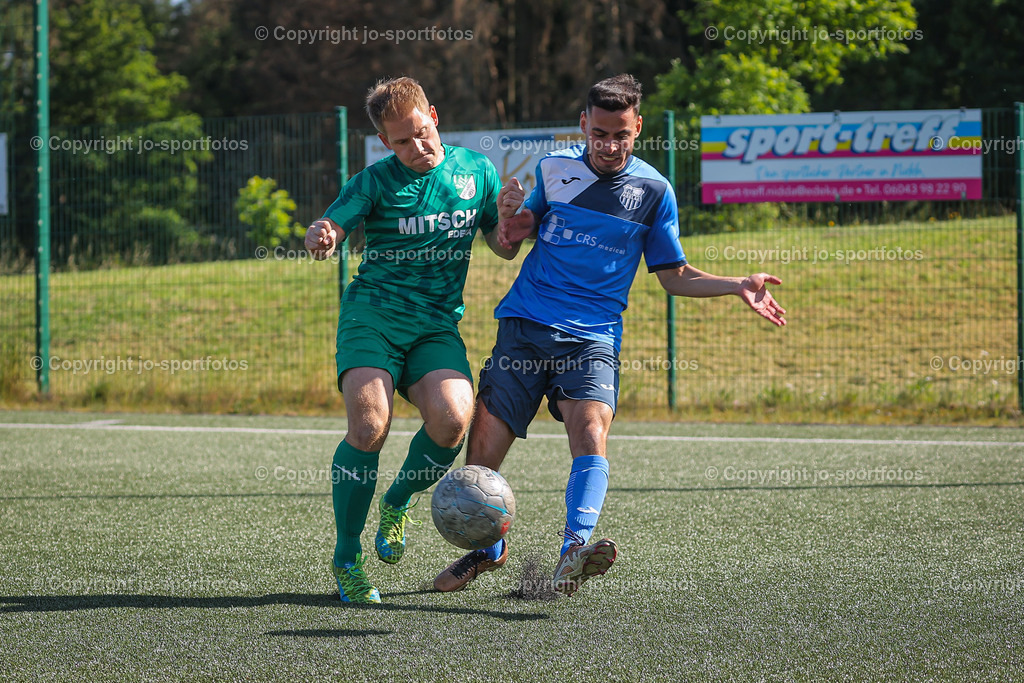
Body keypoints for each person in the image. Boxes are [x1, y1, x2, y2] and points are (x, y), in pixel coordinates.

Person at [433, 74, 787, 596]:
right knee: (482, 454)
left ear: (637, 128)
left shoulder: (654, 192)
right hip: (526, 326)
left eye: (621, 134)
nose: (609, 144)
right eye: (600, 133)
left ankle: (573, 550)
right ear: (584, 125)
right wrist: (510, 216)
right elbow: (516, 236)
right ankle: (489, 549)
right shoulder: (554, 171)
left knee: (591, 431)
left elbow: (674, 275)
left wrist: (738, 286)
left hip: (593, 336)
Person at [305, 76, 517, 603]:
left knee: (450, 421)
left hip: (436, 323)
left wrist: (510, 218)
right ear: (385, 143)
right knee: (370, 422)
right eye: (401, 141)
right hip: (372, 317)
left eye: (421, 133)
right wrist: (323, 234)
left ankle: (397, 500)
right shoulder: (374, 181)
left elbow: (502, 246)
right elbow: (332, 223)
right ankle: (348, 559)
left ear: (435, 117)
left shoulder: (476, 171)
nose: (415, 147)